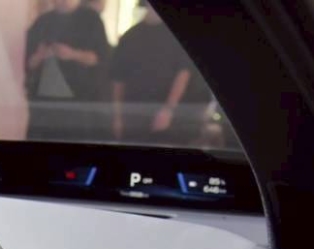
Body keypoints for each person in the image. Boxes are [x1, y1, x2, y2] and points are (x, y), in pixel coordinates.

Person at [110, 3, 207, 146]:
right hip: (133, 115)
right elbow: (118, 80)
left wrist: (168, 110)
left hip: (168, 117)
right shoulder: (129, 36)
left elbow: (183, 74)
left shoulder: (176, 36)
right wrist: (117, 117)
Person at [25, 0, 111, 141]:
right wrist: (41, 55)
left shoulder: (91, 19)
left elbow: (100, 58)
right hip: (44, 103)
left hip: (78, 101)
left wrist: (72, 54)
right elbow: (29, 63)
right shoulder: (43, 21)